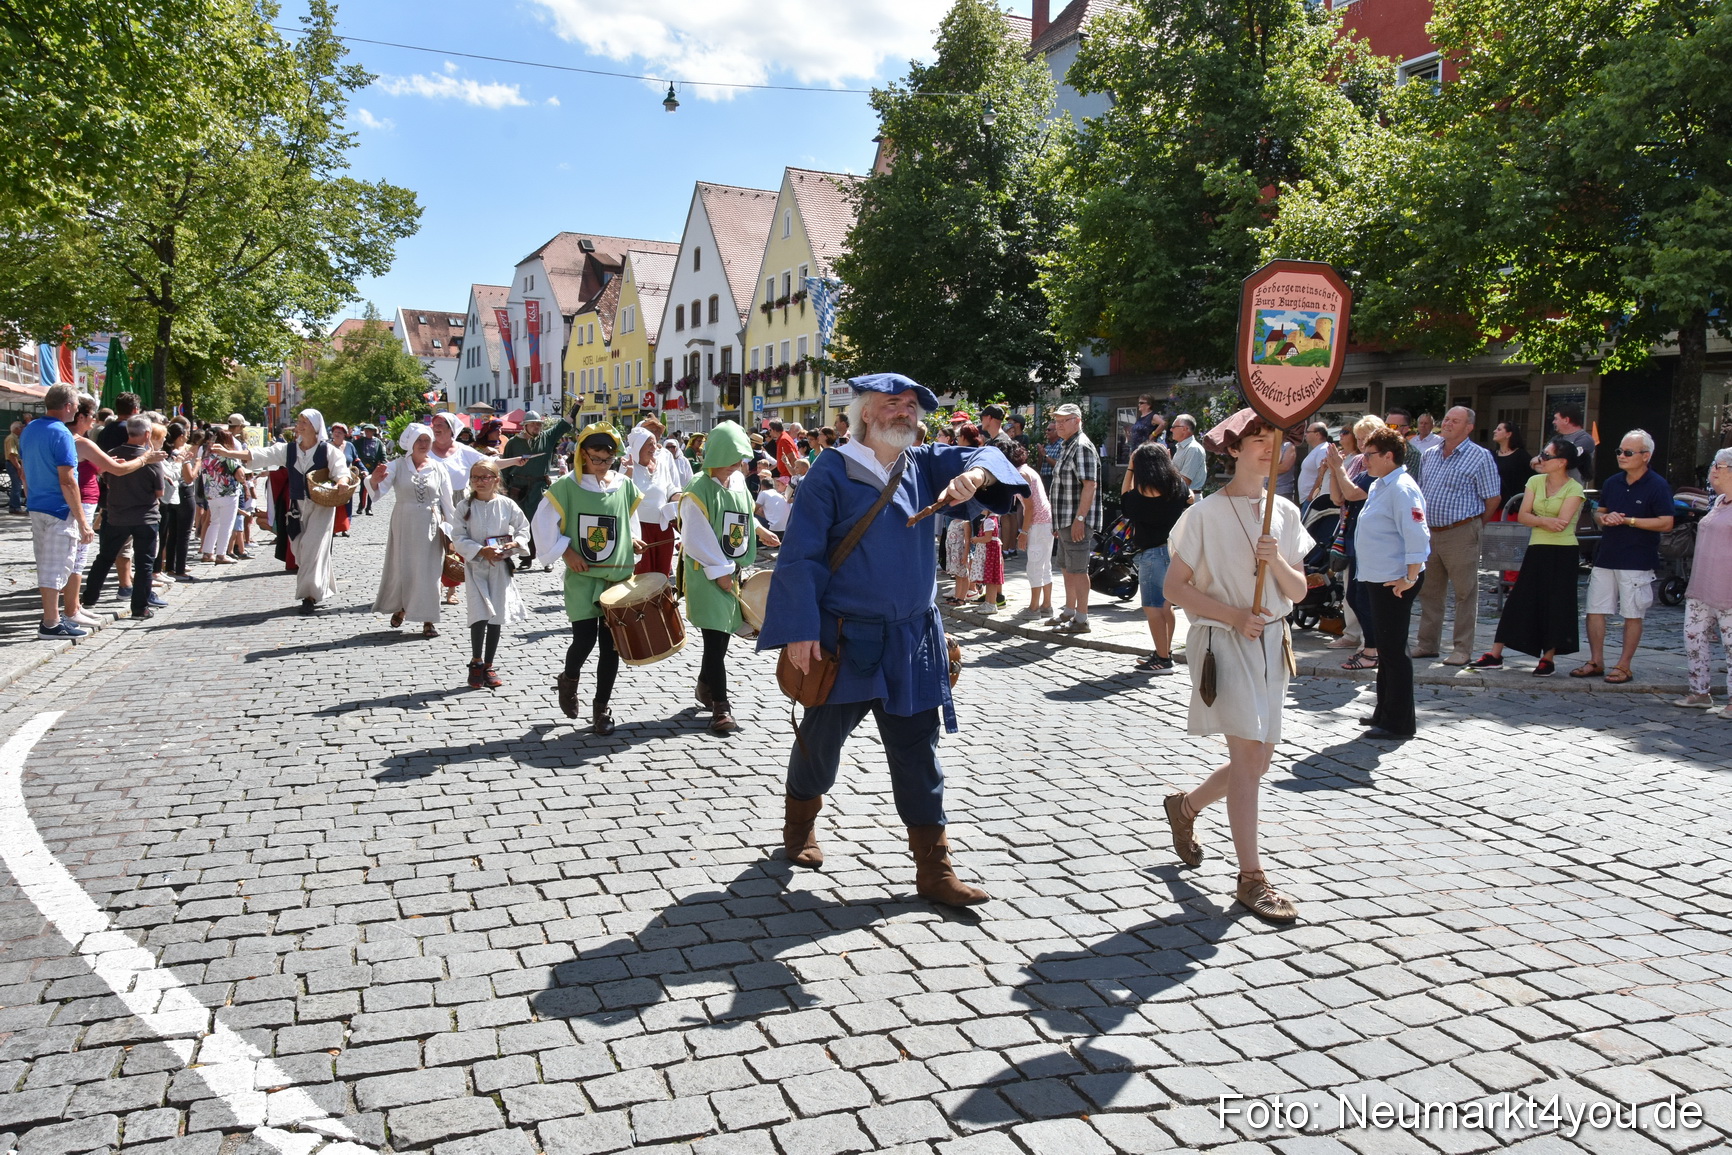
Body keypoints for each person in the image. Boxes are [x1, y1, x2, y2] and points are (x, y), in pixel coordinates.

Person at [758, 373, 1026, 907]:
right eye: (893, 403)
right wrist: (800, 630)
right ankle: (799, 826)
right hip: (843, 638)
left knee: (918, 751)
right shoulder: (830, 472)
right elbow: (801, 555)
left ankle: (934, 869)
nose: (905, 412)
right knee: (822, 741)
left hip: (912, 640)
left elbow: (996, 461)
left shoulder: (923, 463)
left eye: (913, 406)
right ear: (864, 412)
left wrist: (973, 475)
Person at [1159, 408, 1309, 923]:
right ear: (1235, 448)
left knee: (1259, 762)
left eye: (1276, 439)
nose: (1269, 448)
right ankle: (1252, 878)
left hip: (1274, 644)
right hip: (1224, 643)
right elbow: (1174, 588)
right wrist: (1233, 614)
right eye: (1257, 439)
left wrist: (1280, 559)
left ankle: (1186, 807)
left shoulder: (1285, 513)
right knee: (1249, 761)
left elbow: (1299, 589)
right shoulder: (1204, 515)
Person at [532, 423, 646, 735]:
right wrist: (565, 552)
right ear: (583, 454)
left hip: (617, 578)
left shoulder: (623, 485)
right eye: (596, 459)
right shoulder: (566, 487)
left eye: (608, 460)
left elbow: (629, 523)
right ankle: (568, 680)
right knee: (584, 640)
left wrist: (633, 541)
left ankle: (602, 709)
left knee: (611, 646)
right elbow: (542, 525)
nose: (602, 465)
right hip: (584, 578)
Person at [679, 422, 781, 735]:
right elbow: (697, 537)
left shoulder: (736, 481)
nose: (739, 465)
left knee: (721, 639)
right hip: (706, 573)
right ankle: (721, 709)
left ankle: (705, 685)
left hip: (731, 570)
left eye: (740, 459)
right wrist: (719, 572)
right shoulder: (697, 489)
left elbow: (743, 513)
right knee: (715, 638)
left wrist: (760, 530)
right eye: (733, 458)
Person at [207, 409, 350, 614]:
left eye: (305, 422)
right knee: (300, 549)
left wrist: (342, 483)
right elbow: (259, 455)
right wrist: (229, 453)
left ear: (316, 427)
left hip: (321, 507)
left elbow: (341, 471)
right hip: (297, 506)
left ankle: (308, 596)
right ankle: (319, 585)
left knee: (312, 547)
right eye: (299, 421)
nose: (299, 425)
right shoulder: (288, 450)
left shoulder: (328, 451)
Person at [1470, 438, 1586, 677]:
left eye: (1547, 455)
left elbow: (1562, 524)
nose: (1540, 459)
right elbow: (1523, 515)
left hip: (1563, 551)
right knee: (1519, 599)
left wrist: (1538, 518)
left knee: (1556, 604)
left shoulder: (1574, 488)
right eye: (1542, 453)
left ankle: (1548, 658)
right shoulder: (1534, 481)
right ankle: (1495, 653)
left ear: (1562, 462)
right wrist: (1544, 520)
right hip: (1537, 547)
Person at [1574, 429, 1673, 683]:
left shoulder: (1658, 485)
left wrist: (1629, 520)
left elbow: (1666, 522)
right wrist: (1602, 518)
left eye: (1628, 452)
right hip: (1607, 555)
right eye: (1619, 451)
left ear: (1646, 456)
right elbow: (1600, 512)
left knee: (1632, 613)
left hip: (1637, 559)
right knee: (1595, 609)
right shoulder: (1612, 482)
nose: (1622, 456)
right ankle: (1596, 660)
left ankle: (1624, 665)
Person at [1352, 425, 1431, 738]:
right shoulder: (1380, 485)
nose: (1364, 460)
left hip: (1394, 580)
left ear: (1389, 456)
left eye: (1370, 454)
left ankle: (1398, 722)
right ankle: (1384, 712)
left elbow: (1417, 534)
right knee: (1386, 648)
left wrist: (1409, 577)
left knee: (1394, 651)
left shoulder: (1401, 487)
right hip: (1379, 577)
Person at [1412, 406, 1501, 665]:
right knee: (1429, 591)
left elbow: (1493, 498)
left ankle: (1462, 649)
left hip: (1461, 531)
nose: (1448, 424)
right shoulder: (1429, 454)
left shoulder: (1480, 456)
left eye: (1455, 421)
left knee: (1465, 592)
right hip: (1431, 533)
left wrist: (1473, 526)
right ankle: (1427, 644)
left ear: (1469, 427)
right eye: (1447, 419)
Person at [69, 395, 164, 619]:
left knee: (104, 557)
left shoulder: (111, 455)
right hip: (145, 516)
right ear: (147, 434)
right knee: (144, 564)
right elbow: (159, 492)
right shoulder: (151, 459)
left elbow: (106, 478)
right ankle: (140, 608)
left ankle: (90, 598)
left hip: (116, 513)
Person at [369, 423, 457, 638]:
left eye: (427, 439)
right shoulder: (398, 465)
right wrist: (373, 479)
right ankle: (402, 606)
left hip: (430, 523)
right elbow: (377, 490)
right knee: (405, 568)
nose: (424, 444)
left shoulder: (438, 467)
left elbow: (447, 501)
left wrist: (454, 532)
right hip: (404, 523)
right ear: (410, 442)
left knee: (430, 571)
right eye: (419, 440)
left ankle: (428, 619)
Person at [21, 385, 95, 638]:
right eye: (75, 404)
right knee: (57, 567)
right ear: (67, 406)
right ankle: (50, 623)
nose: (76, 408)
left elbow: (24, 470)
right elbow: (67, 480)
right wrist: (83, 521)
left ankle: (53, 619)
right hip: (58, 508)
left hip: (38, 505)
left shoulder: (30, 430)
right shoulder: (61, 433)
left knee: (47, 564)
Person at [451, 459, 531, 688]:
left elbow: (524, 528)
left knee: (496, 613)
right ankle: (476, 661)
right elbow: (458, 536)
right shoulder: (464, 507)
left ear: (496, 480)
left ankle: (489, 664)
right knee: (479, 612)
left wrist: (515, 543)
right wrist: (479, 550)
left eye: (486, 477)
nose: (480, 482)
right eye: (475, 477)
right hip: (476, 567)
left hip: (499, 567)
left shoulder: (507, 504)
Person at [1120, 441, 1191, 671]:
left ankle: (1162, 658)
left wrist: (1130, 469)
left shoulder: (1143, 491)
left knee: (1152, 607)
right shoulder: (1178, 485)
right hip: (1175, 552)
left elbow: (1125, 501)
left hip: (1152, 553)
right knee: (1165, 607)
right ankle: (1164, 651)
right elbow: (1190, 500)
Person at [1675, 448, 1732, 714]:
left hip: (1727, 587)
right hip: (1702, 584)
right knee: (1693, 637)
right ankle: (1699, 692)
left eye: (1717, 466)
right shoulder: (1719, 500)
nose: (1712, 470)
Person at [1048, 403, 1102, 633]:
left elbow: (1089, 485)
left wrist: (1080, 519)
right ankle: (1070, 611)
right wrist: (1058, 523)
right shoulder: (1067, 444)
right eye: (1057, 421)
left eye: (1064, 420)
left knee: (1078, 570)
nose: (1058, 424)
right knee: (1067, 567)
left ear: (1077, 421)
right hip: (1065, 520)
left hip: (1075, 520)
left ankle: (1081, 619)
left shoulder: (1081, 446)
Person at [502, 408, 574, 565]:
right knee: (523, 523)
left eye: (539, 425)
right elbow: (505, 468)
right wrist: (506, 488)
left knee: (544, 524)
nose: (537, 427)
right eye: (533, 424)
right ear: (525, 426)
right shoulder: (513, 443)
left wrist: (577, 405)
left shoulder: (547, 438)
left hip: (539, 486)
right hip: (518, 487)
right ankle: (526, 557)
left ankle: (548, 559)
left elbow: (564, 423)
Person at [627, 425, 680, 577]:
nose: (655, 447)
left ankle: (661, 601)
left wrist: (682, 497)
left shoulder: (661, 465)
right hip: (640, 529)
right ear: (638, 447)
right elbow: (622, 499)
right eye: (649, 444)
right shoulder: (629, 467)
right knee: (643, 574)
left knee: (662, 573)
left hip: (663, 527)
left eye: (655, 443)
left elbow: (670, 488)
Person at [1009, 443, 1054, 619]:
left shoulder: (1021, 474)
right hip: (1046, 522)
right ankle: (1046, 605)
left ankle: (1034, 608)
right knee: (1044, 565)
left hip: (1038, 524)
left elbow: (1029, 506)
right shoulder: (1027, 470)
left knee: (1034, 565)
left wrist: (1024, 532)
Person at [156, 422, 199, 580]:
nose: (188, 437)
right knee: (184, 534)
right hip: (184, 493)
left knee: (171, 533)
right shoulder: (180, 454)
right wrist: (198, 465)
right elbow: (188, 477)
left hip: (171, 495)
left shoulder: (166, 452)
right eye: (186, 434)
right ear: (180, 437)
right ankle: (180, 569)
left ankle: (170, 567)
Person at [200, 427, 247, 566]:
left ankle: (208, 552)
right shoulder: (228, 457)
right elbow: (240, 476)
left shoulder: (207, 456)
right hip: (228, 493)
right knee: (227, 524)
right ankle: (221, 554)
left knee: (214, 522)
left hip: (211, 494)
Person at [1491, 421, 1533, 510]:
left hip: (1512, 506)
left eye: (1499, 429)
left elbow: (1532, 478)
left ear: (1508, 434)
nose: (1494, 431)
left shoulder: (1521, 455)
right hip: (1493, 505)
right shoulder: (1491, 455)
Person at [1551, 403, 1596, 484]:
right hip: (1551, 490)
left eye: (1556, 419)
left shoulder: (1585, 439)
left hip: (1571, 492)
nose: (1553, 422)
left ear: (1566, 420)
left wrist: (1548, 460)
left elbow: (1567, 460)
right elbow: (1537, 459)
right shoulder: (1555, 439)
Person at [970, 511, 1005, 611]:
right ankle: (988, 602)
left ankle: (991, 604)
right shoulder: (989, 519)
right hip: (989, 552)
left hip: (990, 552)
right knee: (989, 579)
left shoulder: (989, 520)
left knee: (991, 580)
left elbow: (988, 538)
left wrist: (976, 539)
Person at [328, 423, 358, 537]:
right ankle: (334, 528)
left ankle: (345, 528)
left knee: (347, 503)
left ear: (344, 435)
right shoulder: (327, 446)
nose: (336, 434)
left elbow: (356, 460)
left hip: (348, 479)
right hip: (332, 479)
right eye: (335, 432)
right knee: (334, 504)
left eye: (339, 433)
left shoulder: (349, 446)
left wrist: (364, 470)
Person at [1296, 422, 1332, 511]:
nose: (1305, 434)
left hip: (1312, 500)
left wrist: (1311, 496)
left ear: (1317, 434)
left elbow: (1323, 474)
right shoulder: (1317, 450)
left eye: (1308, 432)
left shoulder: (1323, 450)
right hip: (1308, 499)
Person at [1169, 414, 1207, 493]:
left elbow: (1185, 481)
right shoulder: (1182, 447)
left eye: (1173, 427)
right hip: (1182, 497)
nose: (1171, 430)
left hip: (1190, 499)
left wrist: (1167, 463)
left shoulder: (1193, 449)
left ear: (1184, 429)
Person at [352, 425, 385, 515]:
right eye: (366, 431)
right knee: (363, 487)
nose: (367, 432)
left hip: (373, 467)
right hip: (363, 466)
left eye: (369, 431)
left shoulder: (378, 442)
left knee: (371, 486)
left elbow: (382, 454)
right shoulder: (359, 442)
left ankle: (368, 508)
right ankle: (361, 506)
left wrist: (383, 463)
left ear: (373, 432)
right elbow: (353, 451)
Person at [5, 420, 23, 514]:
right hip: (12, 463)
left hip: (13, 463)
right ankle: (15, 507)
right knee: (16, 486)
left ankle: (15, 506)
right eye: (20, 427)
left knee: (17, 485)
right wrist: (18, 467)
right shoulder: (11, 438)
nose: (22, 429)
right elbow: (12, 455)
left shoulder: (15, 438)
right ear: (16, 429)